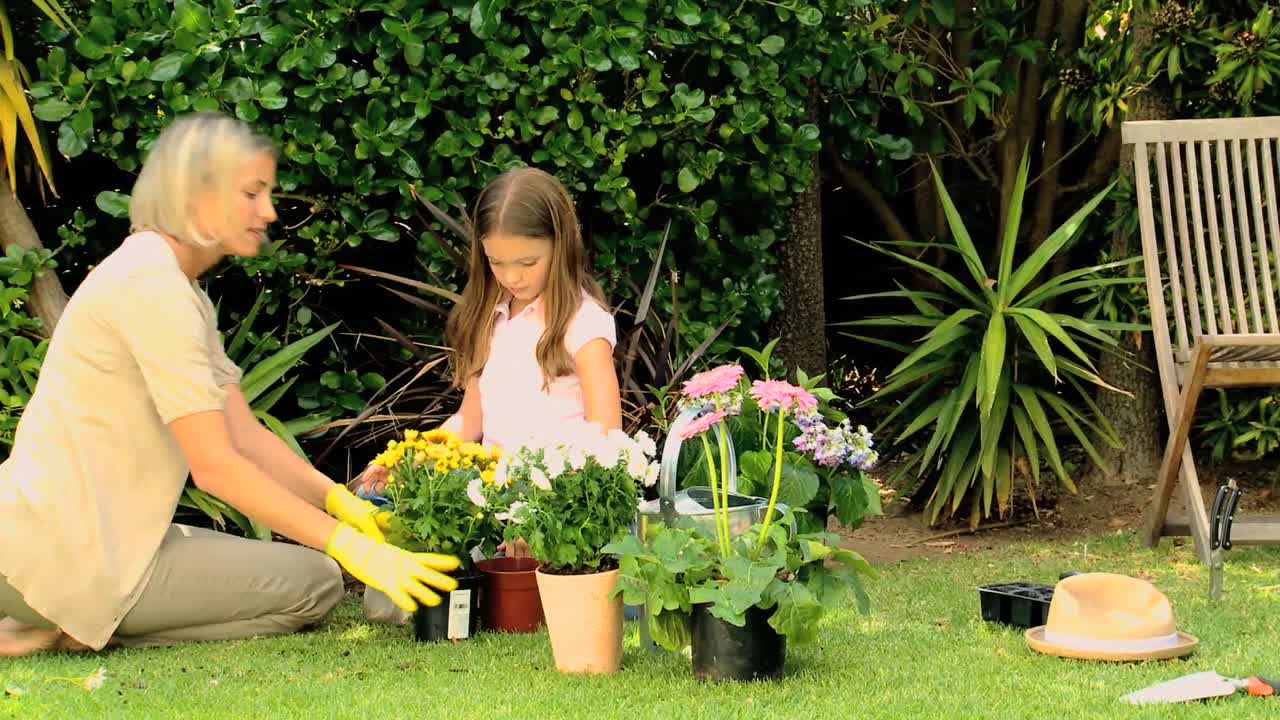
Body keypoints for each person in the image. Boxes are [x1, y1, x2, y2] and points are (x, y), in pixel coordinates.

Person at [0, 112, 459, 657]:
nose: (268, 211)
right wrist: (354, 550)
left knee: (314, 575)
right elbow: (216, 467)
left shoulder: (172, 283)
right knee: (314, 585)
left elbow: (243, 434)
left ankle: (64, 621)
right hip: (63, 557)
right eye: (251, 193)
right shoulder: (155, 289)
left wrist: (340, 503)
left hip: (67, 542)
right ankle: (70, 624)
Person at [354, 167, 623, 622]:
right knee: (375, 498)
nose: (512, 276)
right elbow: (469, 421)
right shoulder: (492, 316)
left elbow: (606, 436)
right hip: (493, 494)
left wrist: (543, 512)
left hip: (556, 496)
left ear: (561, 247)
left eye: (527, 262)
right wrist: (410, 459)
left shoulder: (583, 323)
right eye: (498, 263)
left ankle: (526, 569)